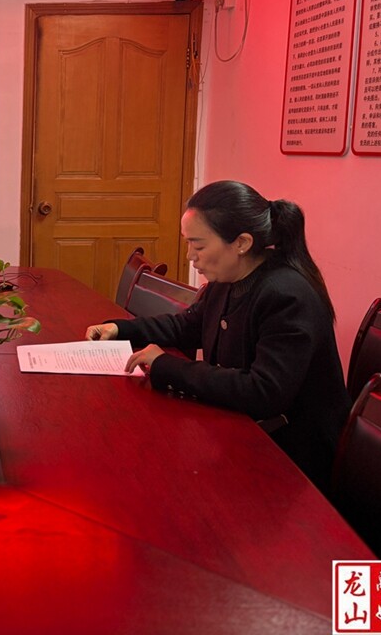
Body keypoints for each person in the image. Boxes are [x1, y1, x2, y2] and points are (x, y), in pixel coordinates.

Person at [85, 180, 350, 491]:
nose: (190, 256)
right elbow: (186, 326)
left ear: (241, 243)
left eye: (198, 246)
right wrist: (120, 329)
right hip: (245, 432)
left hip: (294, 461)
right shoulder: (229, 279)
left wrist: (166, 365)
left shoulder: (286, 295)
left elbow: (263, 392)